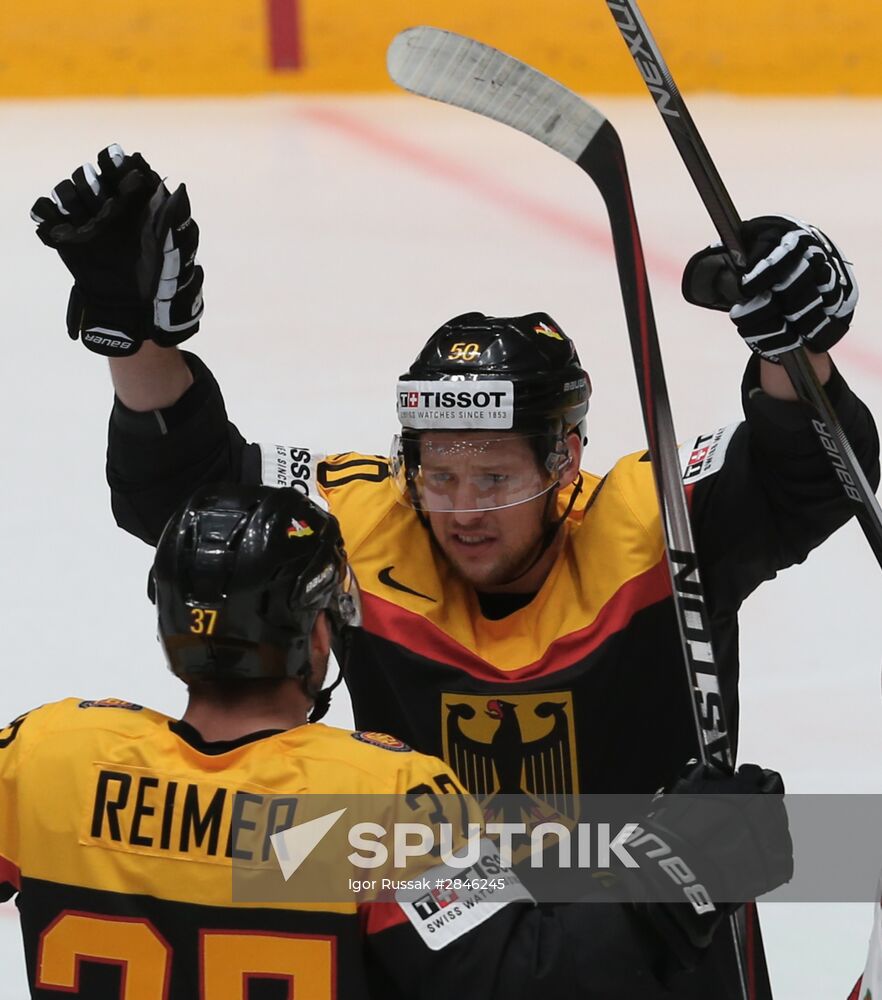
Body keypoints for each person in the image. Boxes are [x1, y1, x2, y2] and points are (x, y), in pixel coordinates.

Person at [32, 145, 880, 996]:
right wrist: (137, 344)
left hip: (661, 947)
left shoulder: (651, 521)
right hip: (449, 947)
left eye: (496, 477)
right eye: (440, 474)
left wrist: (794, 348)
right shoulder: (369, 521)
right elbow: (190, 505)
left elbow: (802, 471)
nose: (463, 509)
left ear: (566, 458)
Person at [0, 484, 793, 997]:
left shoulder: (49, 755)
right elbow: (527, 981)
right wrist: (681, 869)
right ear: (315, 632)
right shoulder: (380, 802)